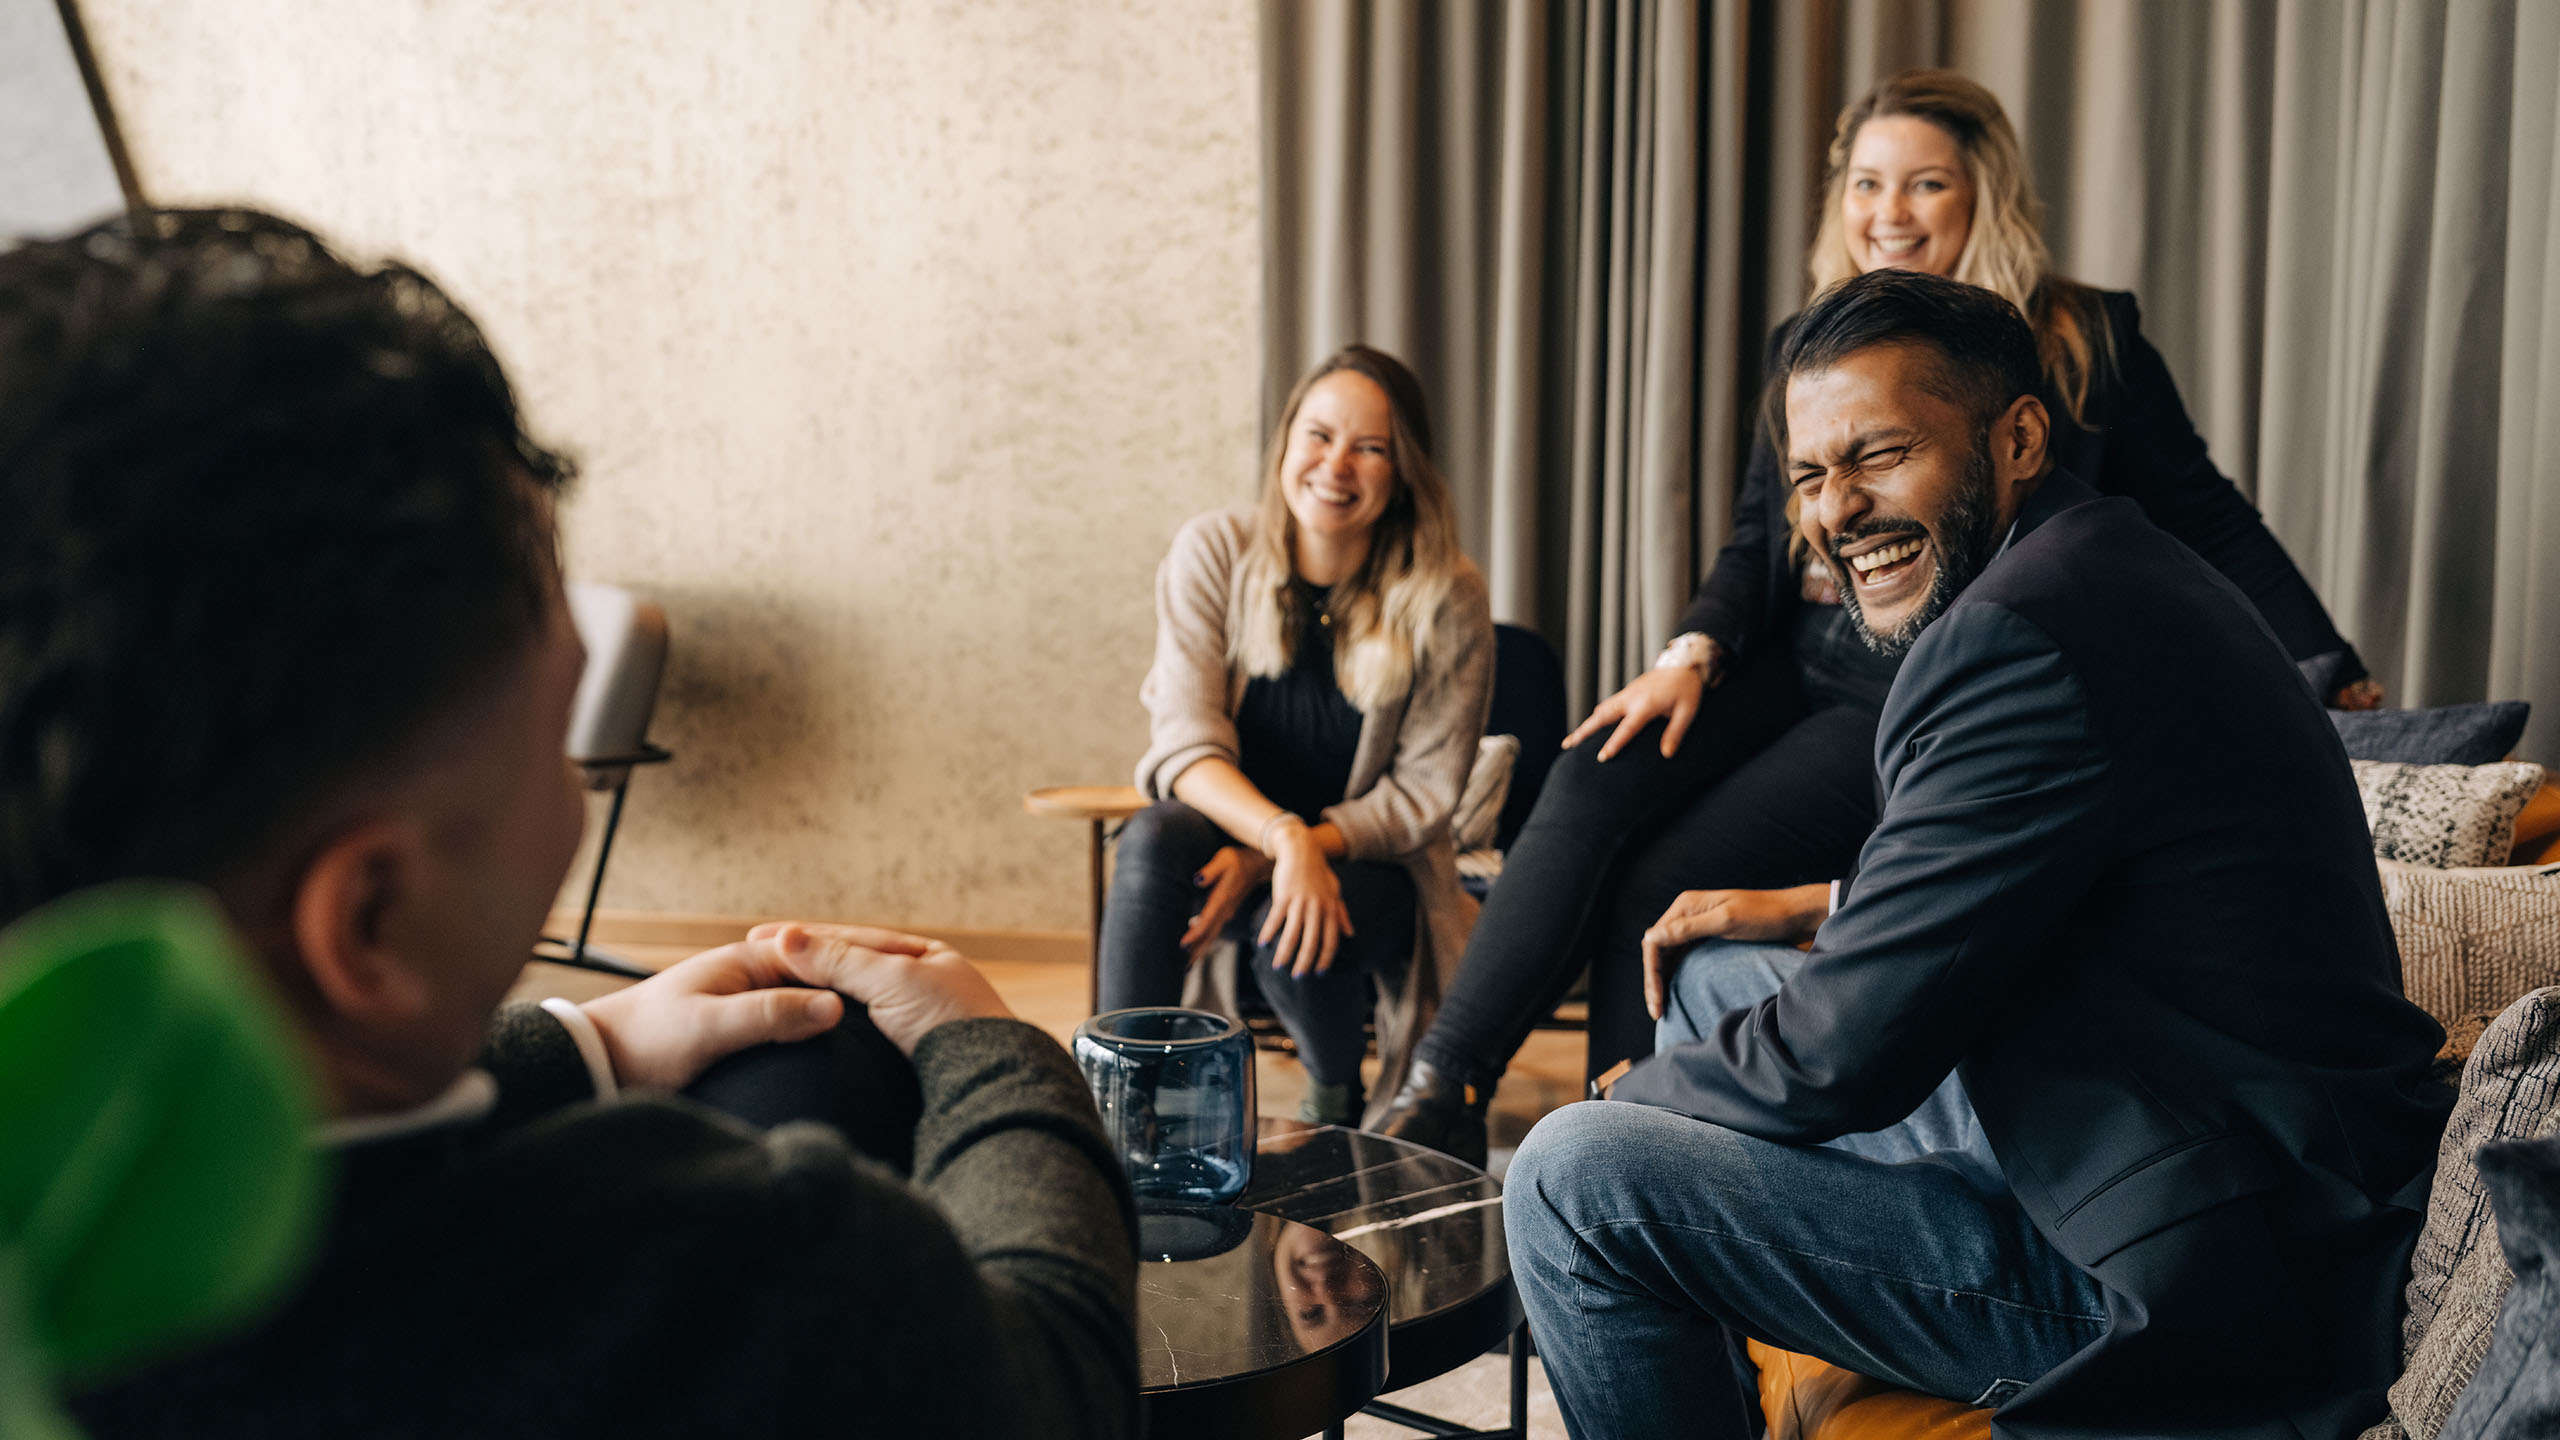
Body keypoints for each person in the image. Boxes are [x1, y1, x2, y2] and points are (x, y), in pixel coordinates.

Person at [0, 208, 1136, 1439]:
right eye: (553, 737)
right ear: (370, 921)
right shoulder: (749, 1283)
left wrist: (575, 1046)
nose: (576, 791)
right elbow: (1054, 1372)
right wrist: (1001, 1061)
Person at [1502, 267, 2448, 1440]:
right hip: (2159, 1109)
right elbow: (2093, 872)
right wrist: (1822, 905)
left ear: (2019, 436)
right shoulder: (2094, 571)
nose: (1836, 510)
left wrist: (1627, 1091)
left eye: (1879, 454)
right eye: (1811, 473)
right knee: (1708, 978)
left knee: (1569, 1175)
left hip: (2198, 1266)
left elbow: (1839, 1059)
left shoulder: (2017, 638)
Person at [1377, 70, 2380, 1162]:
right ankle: (1439, 1092)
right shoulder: (1804, 348)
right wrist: (1691, 653)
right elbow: (1761, 544)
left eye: (1924, 184)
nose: (1888, 211)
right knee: (1594, 766)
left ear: (1980, 198)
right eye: (1865, 184)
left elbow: (2206, 516)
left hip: (1909, 676)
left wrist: (2324, 658)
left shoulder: (2079, 339)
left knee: (1667, 878)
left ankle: (1630, 1150)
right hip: (1797, 648)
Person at [1095, 345, 1494, 1127]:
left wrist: (1285, 854)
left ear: (1403, 468)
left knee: (1296, 932)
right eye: (1318, 435)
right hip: (1244, 834)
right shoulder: (1213, 551)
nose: (1335, 464)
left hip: (1372, 864)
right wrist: (1282, 842)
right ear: (1285, 443)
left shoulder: (1450, 593)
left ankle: (1332, 1096)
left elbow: (1425, 794)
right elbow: (1183, 744)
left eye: (1370, 448)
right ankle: (1119, 1111)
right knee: (1148, 842)